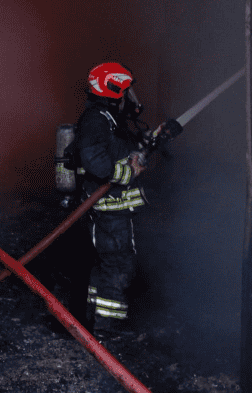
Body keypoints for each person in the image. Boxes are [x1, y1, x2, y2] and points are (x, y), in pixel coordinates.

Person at [70, 62, 150, 337]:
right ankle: (107, 328)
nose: (130, 97)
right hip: (109, 213)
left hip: (108, 212)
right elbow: (95, 162)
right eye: (126, 91)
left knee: (105, 264)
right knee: (119, 265)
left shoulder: (107, 120)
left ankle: (95, 320)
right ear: (114, 89)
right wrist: (128, 172)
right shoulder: (97, 119)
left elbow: (118, 151)